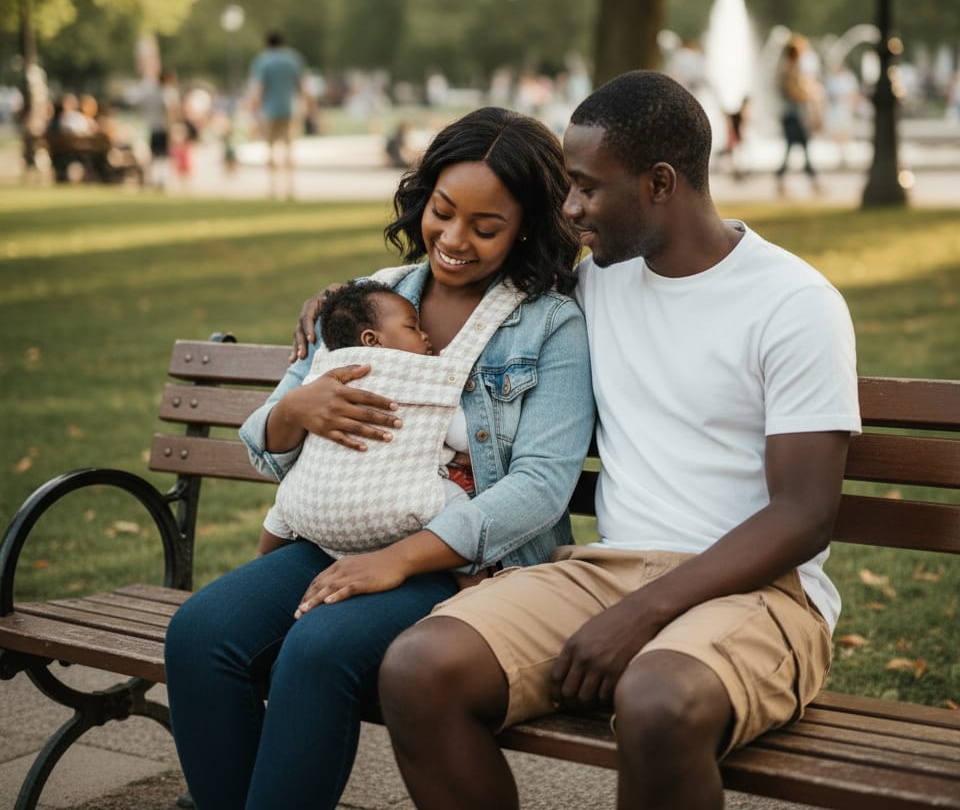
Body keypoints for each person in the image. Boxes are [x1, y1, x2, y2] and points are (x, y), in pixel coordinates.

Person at [378, 71, 861, 810]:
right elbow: (459, 289)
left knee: (657, 701)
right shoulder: (595, 285)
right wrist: (343, 307)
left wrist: (645, 612)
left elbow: (803, 515)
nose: (569, 210)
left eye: (586, 188)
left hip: (764, 593)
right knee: (420, 667)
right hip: (602, 574)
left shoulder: (793, 304)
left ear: (660, 183)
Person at [164, 107, 595, 810]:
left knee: (317, 649)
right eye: (443, 211)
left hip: (466, 566)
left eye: (486, 228)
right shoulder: (369, 296)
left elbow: (541, 489)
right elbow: (266, 450)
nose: (454, 240)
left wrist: (398, 559)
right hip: (339, 533)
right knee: (199, 634)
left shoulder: (549, 324)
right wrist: (291, 415)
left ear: (526, 228)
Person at [257, 280, 475, 557]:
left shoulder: (326, 370)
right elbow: (461, 435)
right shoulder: (423, 380)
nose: (425, 336)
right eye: (413, 328)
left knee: (282, 507)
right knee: (458, 510)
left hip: (315, 502)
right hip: (399, 500)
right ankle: (473, 577)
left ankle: (260, 558)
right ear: (372, 340)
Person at [247, 30, 310, 197]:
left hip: (269, 111)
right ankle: (290, 187)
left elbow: (259, 89)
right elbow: (302, 87)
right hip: (290, 109)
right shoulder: (293, 59)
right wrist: (309, 108)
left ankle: (273, 187)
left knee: (270, 150)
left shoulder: (262, 61)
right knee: (289, 149)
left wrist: (253, 110)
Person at [775, 34, 823, 194]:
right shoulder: (790, 69)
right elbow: (792, 92)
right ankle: (813, 179)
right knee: (803, 146)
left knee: (795, 147)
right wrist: (810, 96)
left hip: (792, 114)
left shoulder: (788, 68)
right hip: (793, 115)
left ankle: (782, 177)